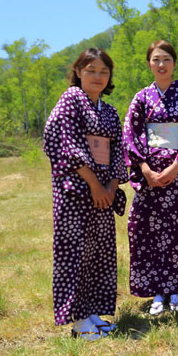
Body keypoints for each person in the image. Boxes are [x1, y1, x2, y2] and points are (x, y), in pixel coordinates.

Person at [43, 48, 127, 339]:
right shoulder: (71, 101)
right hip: (77, 190)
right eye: (91, 70)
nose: (98, 76)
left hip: (104, 190)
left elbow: (118, 153)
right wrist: (94, 185)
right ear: (78, 72)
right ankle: (77, 321)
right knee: (74, 252)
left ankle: (91, 312)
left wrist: (110, 188)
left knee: (98, 252)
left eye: (104, 71)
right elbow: (66, 145)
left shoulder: (110, 111)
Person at [122, 40, 178, 315]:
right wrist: (145, 169)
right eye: (156, 59)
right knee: (149, 231)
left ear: (174, 63)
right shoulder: (141, 98)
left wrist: (177, 165)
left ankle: (177, 291)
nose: (161, 64)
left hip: (177, 175)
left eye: (166, 59)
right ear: (149, 63)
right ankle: (157, 291)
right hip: (149, 176)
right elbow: (130, 135)